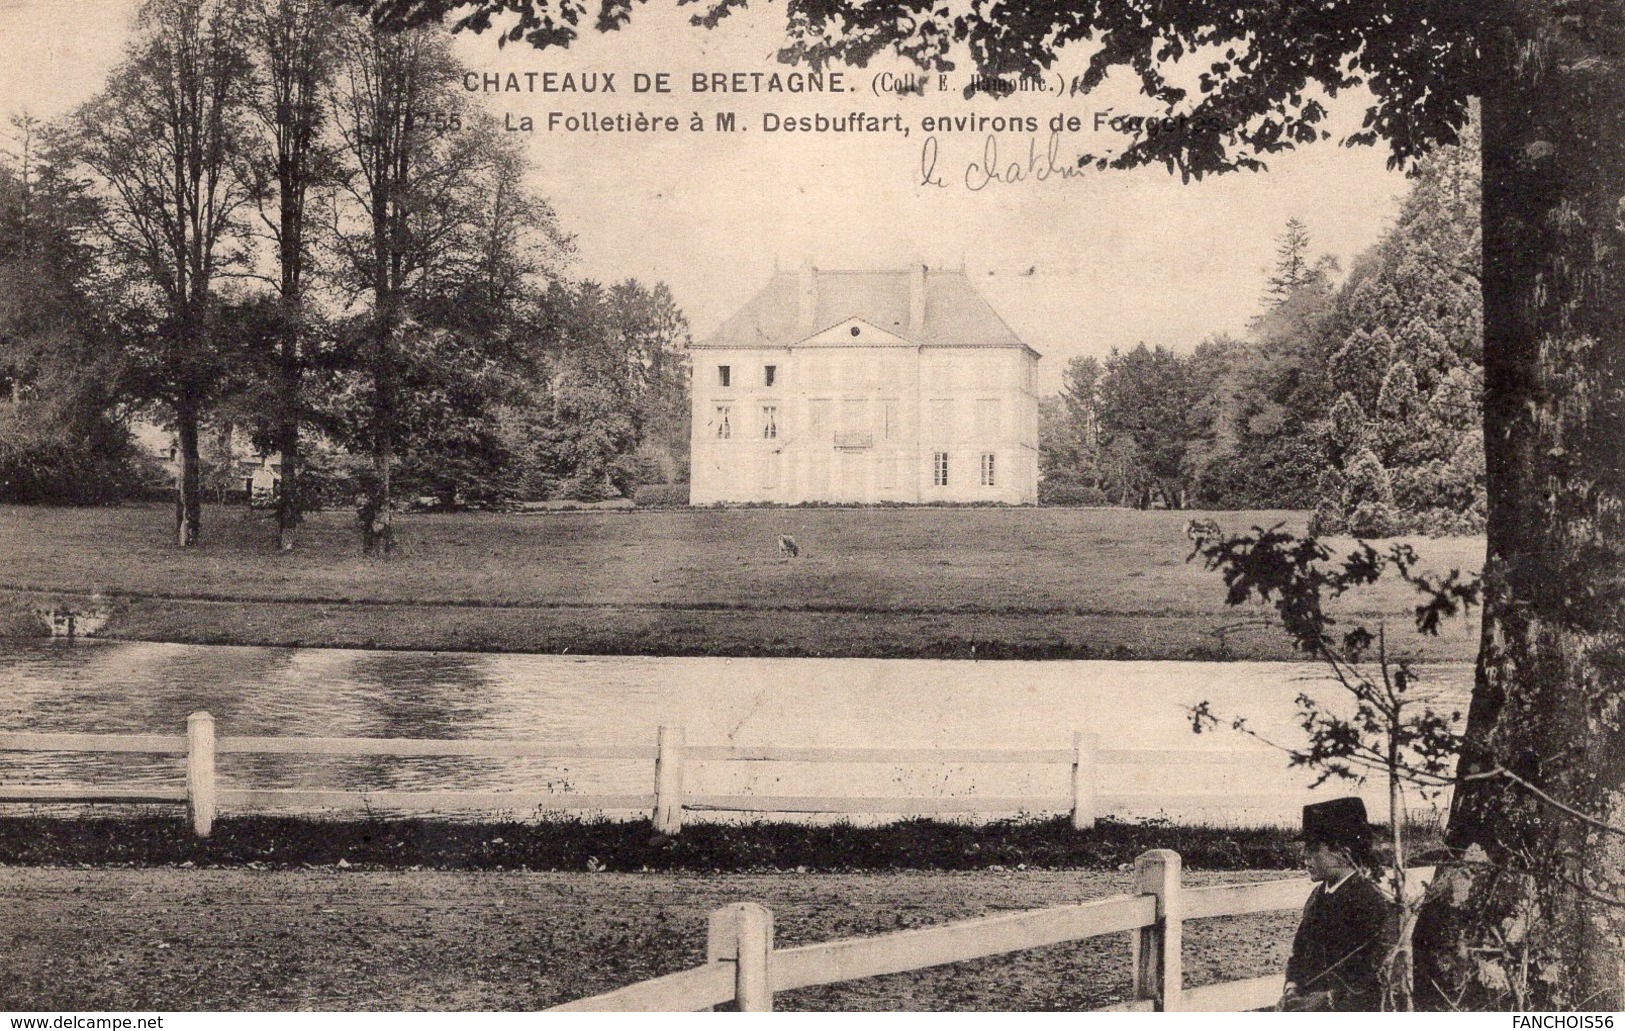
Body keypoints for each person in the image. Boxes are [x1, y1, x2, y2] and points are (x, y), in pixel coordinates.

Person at [1279, 796, 1392, 1011]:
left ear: (1343, 853)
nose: (1304, 855)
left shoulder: (1370, 901)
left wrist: (1328, 1000)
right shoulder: (1317, 896)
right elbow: (1299, 951)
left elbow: (1375, 975)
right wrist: (1291, 988)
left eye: (1313, 848)